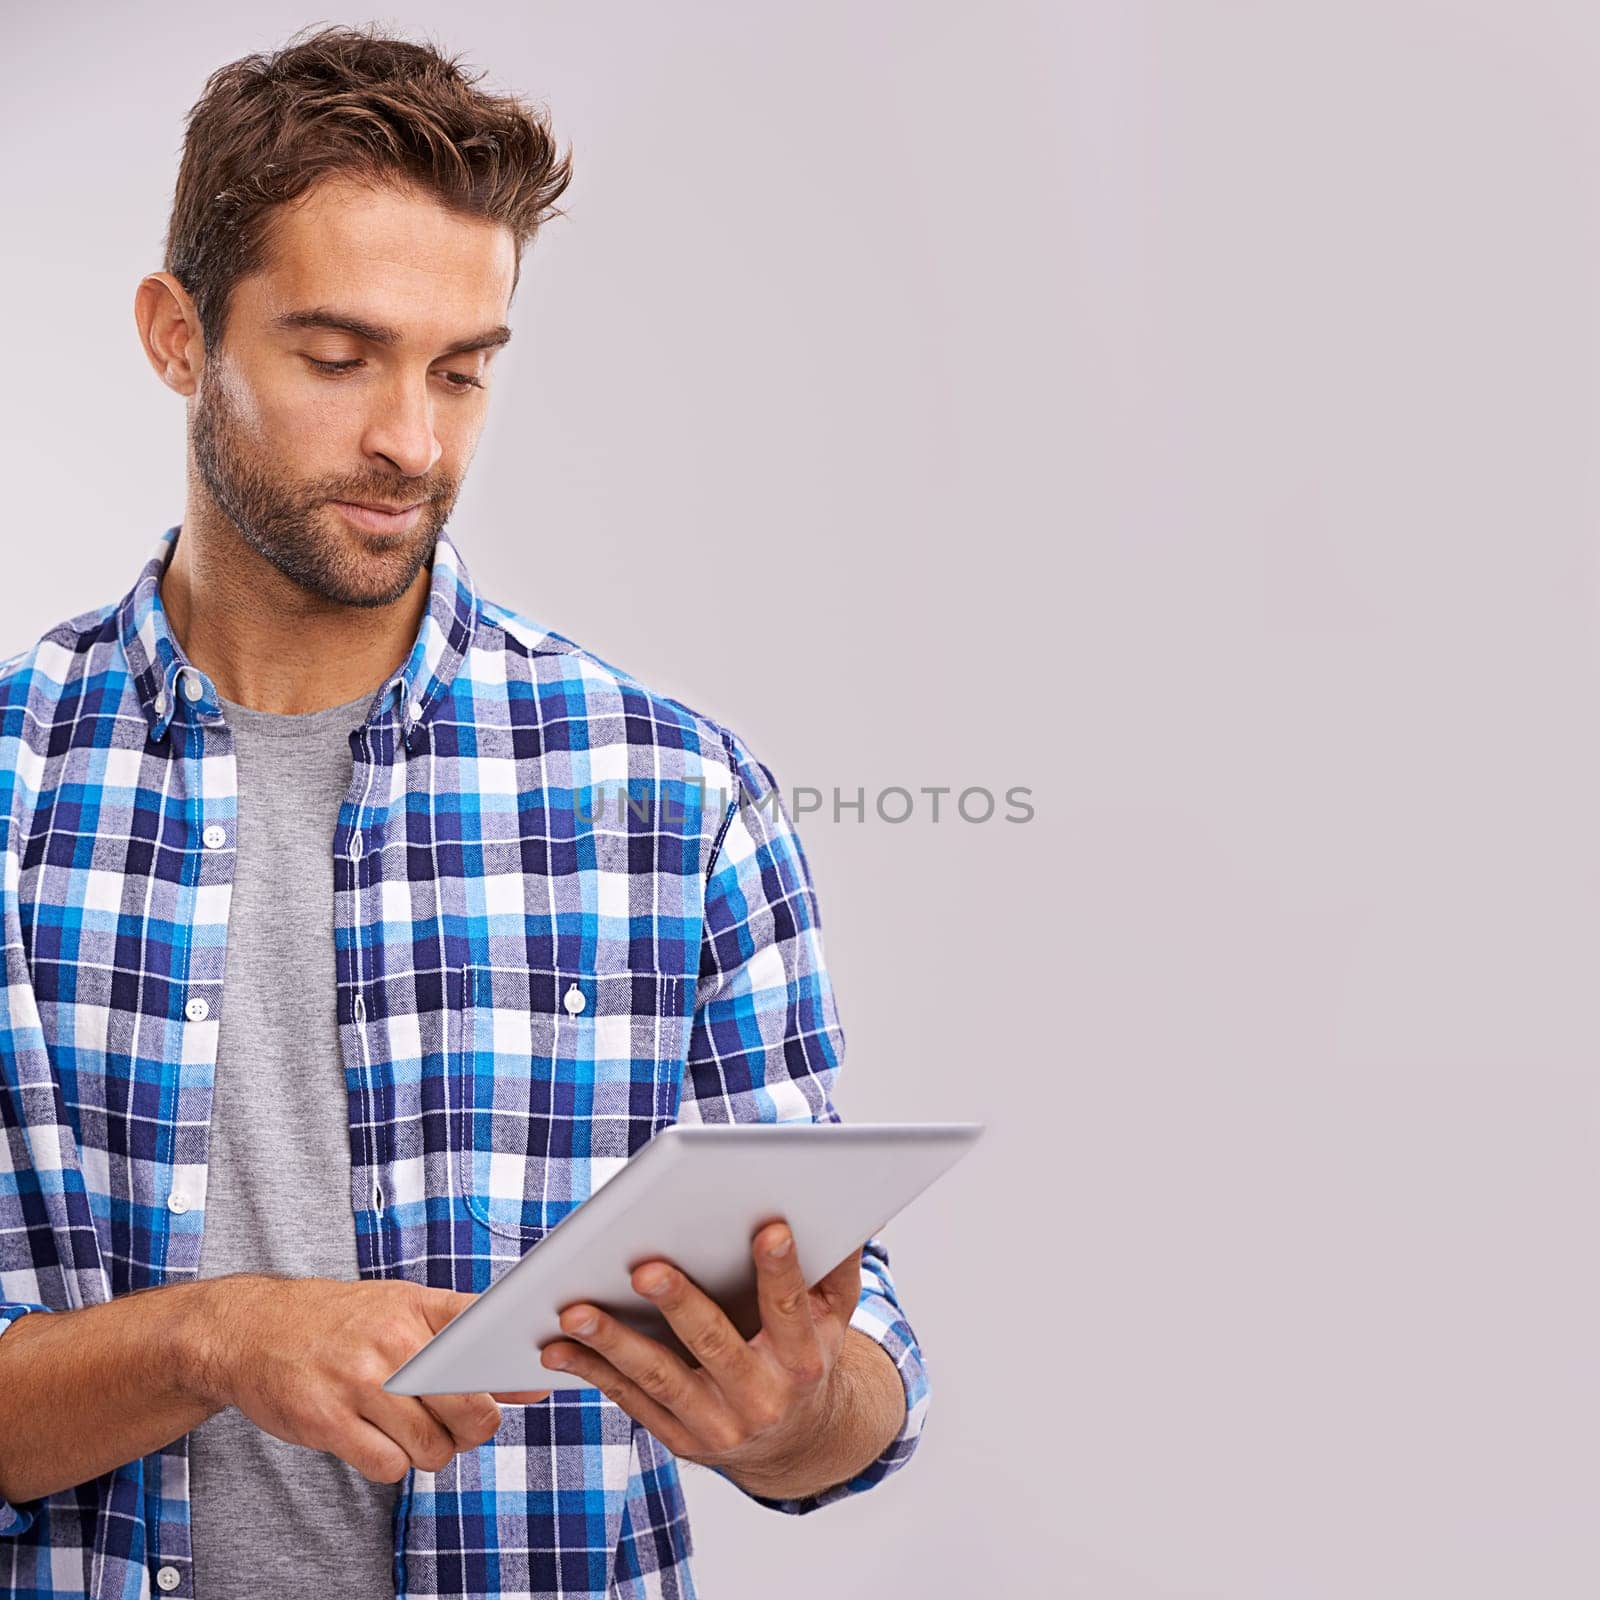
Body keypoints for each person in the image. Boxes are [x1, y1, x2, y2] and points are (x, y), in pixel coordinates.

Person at [0, 23, 929, 1599]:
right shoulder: (16, 786)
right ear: (178, 333)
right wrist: (213, 1336)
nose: (411, 444)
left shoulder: (673, 796)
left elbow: (853, 1373)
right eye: (337, 355)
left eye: (461, 369)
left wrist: (793, 1410)